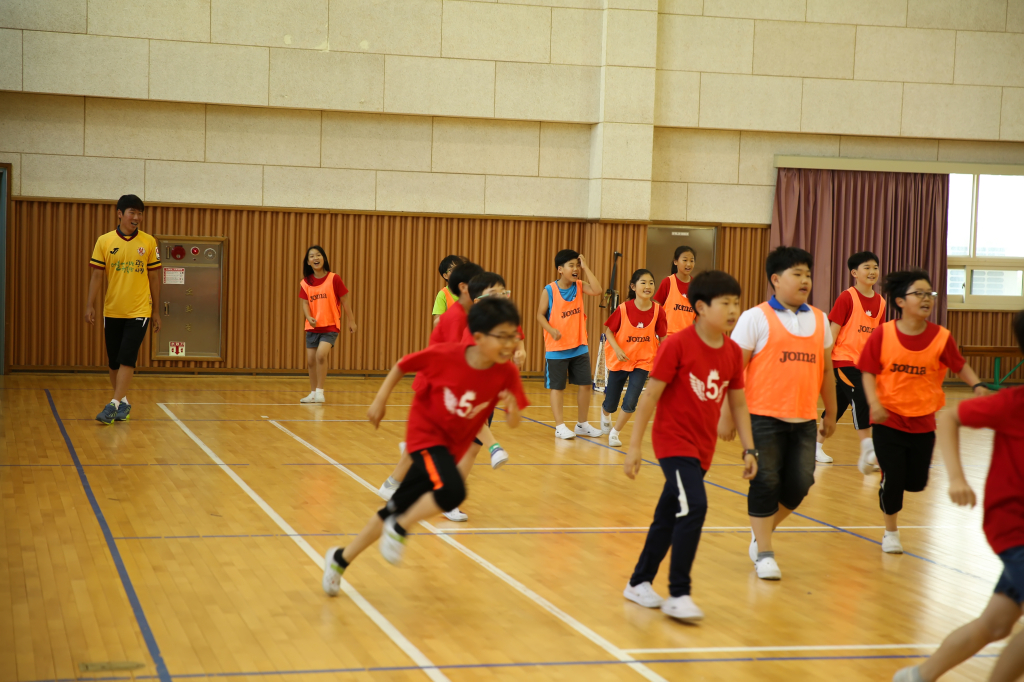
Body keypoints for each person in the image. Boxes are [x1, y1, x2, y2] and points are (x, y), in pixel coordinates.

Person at [321, 298, 529, 593]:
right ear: (479, 337)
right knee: (453, 489)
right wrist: (380, 400)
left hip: (449, 448)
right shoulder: (447, 356)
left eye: (514, 336)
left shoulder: (506, 372)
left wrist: (513, 408)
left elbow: (514, 422)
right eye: (503, 336)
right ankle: (402, 526)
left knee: (392, 508)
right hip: (425, 436)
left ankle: (339, 559)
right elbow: (403, 365)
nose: (510, 344)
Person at [893, 311, 1024, 682]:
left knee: (996, 625)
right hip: (1015, 530)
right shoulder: (1013, 403)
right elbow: (949, 418)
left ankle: (918, 676)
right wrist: (956, 478)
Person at [622, 270, 758, 622]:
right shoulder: (677, 344)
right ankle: (679, 593)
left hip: (703, 447)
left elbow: (739, 403)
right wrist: (634, 446)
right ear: (700, 306)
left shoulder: (730, 351)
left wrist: (749, 448)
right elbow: (650, 396)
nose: (733, 310)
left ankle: (638, 582)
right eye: (725, 303)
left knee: (669, 515)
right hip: (673, 442)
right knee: (694, 505)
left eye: (736, 303)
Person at [721, 246, 838, 581]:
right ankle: (766, 552)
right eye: (796, 274)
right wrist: (727, 415)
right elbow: (735, 369)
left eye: (808, 275)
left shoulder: (818, 319)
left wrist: (830, 412)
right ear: (775, 279)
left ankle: (760, 534)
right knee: (766, 481)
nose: (805, 280)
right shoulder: (754, 317)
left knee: (800, 483)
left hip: (803, 418)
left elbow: (827, 370)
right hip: (761, 416)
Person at [858, 269, 988, 554]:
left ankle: (873, 460)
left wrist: (977, 385)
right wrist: (875, 404)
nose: (926, 299)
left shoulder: (941, 337)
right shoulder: (884, 334)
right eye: (919, 293)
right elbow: (867, 372)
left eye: (929, 294)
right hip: (888, 418)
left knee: (916, 483)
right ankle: (890, 532)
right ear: (901, 301)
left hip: (923, 421)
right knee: (892, 480)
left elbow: (958, 364)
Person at [85, 194, 162, 424]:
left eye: (140, 213)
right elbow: (97, 275)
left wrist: (156, 311)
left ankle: (113, 405)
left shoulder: (149, 242)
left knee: (128, 357)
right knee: (114, 361)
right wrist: (90, 304)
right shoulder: (104, 241)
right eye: (132, 212)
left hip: (139, 310)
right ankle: (124, 402)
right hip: (112, 310)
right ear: (120, 214)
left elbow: (155, 278)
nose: (136, 217)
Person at [815, 251, 885, 467]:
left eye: (875, 267)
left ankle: (814, 446)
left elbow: (879, 337)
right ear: (854, 273)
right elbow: (832, 332)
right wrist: (825, 362)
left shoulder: (881, 302)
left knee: (835, 407)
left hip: (866, 365)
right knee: (863, 399)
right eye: (867, 267)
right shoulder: (847, 297)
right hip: (843, 361)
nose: (872, 271)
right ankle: (868, 450)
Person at [536, 249, 603, 440]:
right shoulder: (549, 290)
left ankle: (582, 424)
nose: (576, 269)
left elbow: (598, 290)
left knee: (584, 385)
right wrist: (551, 330)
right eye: (571, 265)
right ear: (560, 269)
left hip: (579, 345)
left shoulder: (580, 286)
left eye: (577, 265)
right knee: (557, 388)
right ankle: (560, 426)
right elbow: (539, 315)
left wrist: (587, 267)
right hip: (556, 349)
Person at [600, 269, 666, 447]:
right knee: (611, 403)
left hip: (643, 361)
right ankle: (605, 413)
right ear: (633, 287)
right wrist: (617, 349)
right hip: (621, 359)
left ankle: (615, 432)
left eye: (651, 282)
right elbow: (609, 332)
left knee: (631, 400)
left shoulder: (659, 311)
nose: (648, 286)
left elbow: (663, 337)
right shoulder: (623, 309)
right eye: (643, 282)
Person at [298, 246, 357, 404]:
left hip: (330, 325)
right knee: (311, 360)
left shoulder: (334, 278)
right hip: (312, 327)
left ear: (323, 258)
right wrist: (308, 317)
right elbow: (304, 303)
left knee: (321, 355)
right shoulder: (306, 282)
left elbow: (345, 301)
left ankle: (319, 391)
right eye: (312, 256)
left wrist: (351, 320)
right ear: (308, 262)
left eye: (318, 255)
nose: (315, 258)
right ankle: (312, 393)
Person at [654, 245, 696, 336]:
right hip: (667, 337)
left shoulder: (697, 285)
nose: (688, 264)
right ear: (675, 262)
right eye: (685, 260)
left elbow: (700, 317)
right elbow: (655, 310)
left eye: (691, 261)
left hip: (687, 337)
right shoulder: (667, 282)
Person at [432, 255, 466, 326]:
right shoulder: (443, 294)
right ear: (445, 276)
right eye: (452, 270)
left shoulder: (471, 290)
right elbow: (437, 324)